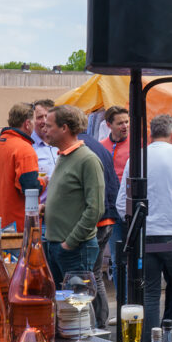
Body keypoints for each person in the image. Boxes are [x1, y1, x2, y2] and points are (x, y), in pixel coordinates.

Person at [117, 114, 172, 336]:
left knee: (150, 293)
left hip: (145, 235)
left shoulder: (136, 157)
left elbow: (121, 204)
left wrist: (141, 220)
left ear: (150, 134)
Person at [41, 105, 105, 281]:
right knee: (66, 303)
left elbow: (96, 209)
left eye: (49, 125)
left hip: (76, 249)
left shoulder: (87, 159)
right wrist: (46, 209)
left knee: (77, 304)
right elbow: (70, 199)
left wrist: (70, 243)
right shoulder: (64, 156)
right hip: (58, 245)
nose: (44, 129)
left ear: (64, 128)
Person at [78, 127, 120, 328]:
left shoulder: (82, 148)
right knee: (94, 274)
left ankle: (95, 324)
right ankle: (100, 322)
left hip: (97, 221)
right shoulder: (97, 145)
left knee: (87, 275)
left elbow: (94, 195)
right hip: (106, 218)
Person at [0, 103, 40, 232]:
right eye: (35, 120)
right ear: (27, 124)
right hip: (19, 227)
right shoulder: (24, 149)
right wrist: (44, 182)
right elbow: (30, 188)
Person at [101, 104, 131, 304]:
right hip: (112, 209)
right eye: (120, 123)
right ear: (109, 124)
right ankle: (122, 305)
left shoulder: (137, 144)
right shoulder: (101, 145)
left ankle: (136, 303)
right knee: (118, 261)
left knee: (137, 258)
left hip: (132, 208)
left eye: (127, 122)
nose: (125, 126)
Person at [31, 99, 58, 189]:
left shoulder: (61, 143)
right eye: (39, 117)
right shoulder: (28, 146)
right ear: (32, 120)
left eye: (47, 117)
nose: (45, 121)